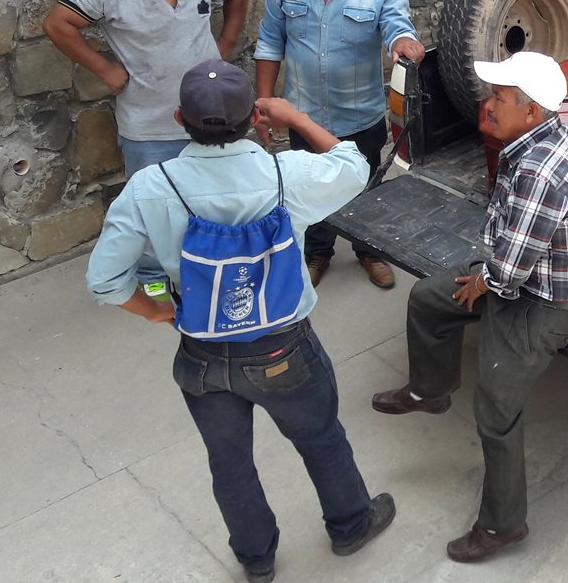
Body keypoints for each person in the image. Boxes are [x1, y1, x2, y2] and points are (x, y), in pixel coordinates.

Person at [85, 59, 395, 583]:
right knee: (321, 438)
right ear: (254, 118)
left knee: (229, 462)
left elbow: (104, 281)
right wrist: (294, 117)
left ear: (179, 119)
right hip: (283, 349)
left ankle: (256, 559)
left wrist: (159, 310)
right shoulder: (286, 174)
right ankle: (350, 526)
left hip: (203, 354)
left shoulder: (149, 187)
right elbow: (354, 165)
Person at [371, 51, 568, 562]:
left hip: (545, 301)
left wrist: (484, 282)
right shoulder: (536, 139)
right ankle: (430, 390)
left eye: (499, 97)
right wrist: (487, 276)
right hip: (515, 274)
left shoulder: (541, 171)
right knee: (428, 300)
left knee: (496, 406)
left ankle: (502, 525)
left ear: (532, 110)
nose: (489, 104)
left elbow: (511, 271)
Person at [44, 0, 248, 293]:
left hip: (210, 116)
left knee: (215, 199)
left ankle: (216, 267)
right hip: (148, 125)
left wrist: (227, 41)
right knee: (152, 206)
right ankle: (154, 277)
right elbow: (57, 23)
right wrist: (103, 68)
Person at [254, 0, 425, 290]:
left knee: (365, 188)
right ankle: (318, 252)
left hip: (360, 118)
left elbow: (397, 26)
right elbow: (269, 44)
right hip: (304, 117)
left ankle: (370, 250)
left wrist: (402, 41)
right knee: (310, 189)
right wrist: (264, 104)